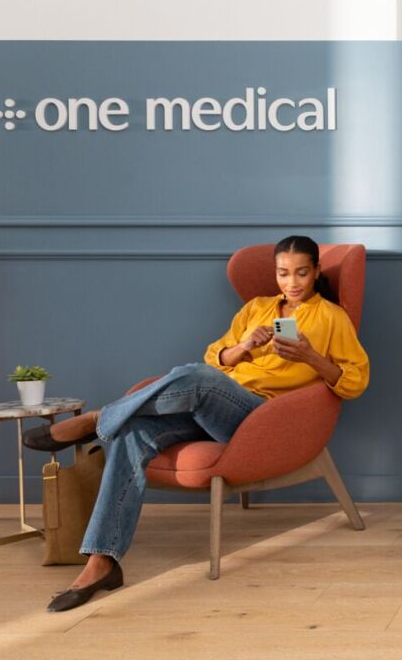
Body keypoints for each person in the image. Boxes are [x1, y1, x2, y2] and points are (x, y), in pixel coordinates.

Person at [22, 235, 370, 612]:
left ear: (317, 272)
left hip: (263, 419)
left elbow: (355, 382)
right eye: (283, 274)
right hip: (217, 406)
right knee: (133, 432)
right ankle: (101, 563)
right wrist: (244, 348)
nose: (292, 282)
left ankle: (97, 418)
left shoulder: (332, 317)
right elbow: (216, 356)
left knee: (195, 376)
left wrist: (310, 356)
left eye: (302, 273)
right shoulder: (257, 308)